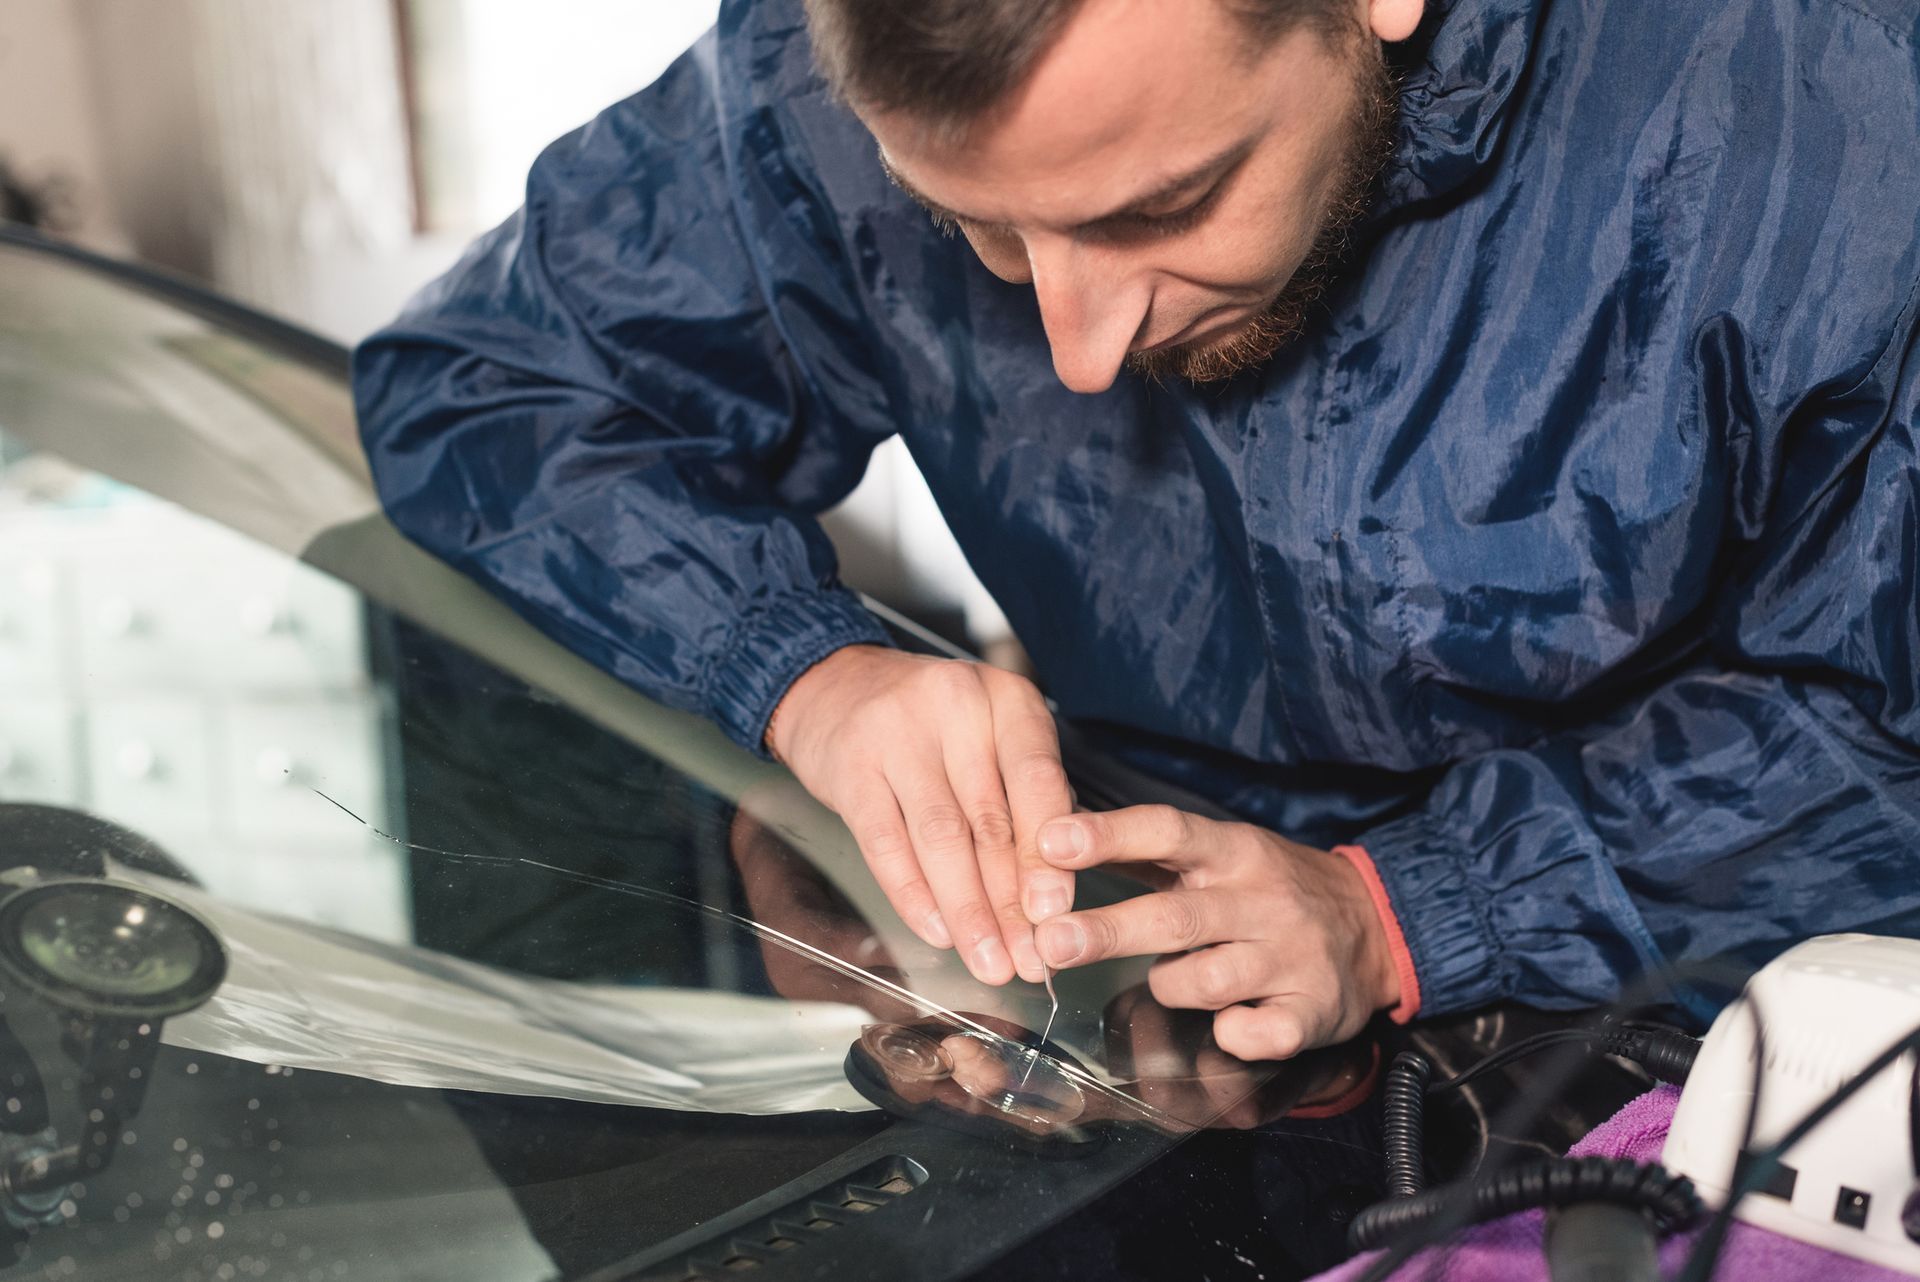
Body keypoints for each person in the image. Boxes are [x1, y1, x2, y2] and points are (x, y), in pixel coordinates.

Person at [352, 0, 1920, 1059]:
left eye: (1159, 209)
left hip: (1693, 1071)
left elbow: (1889, 729)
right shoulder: (820, 68)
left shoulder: (1835, 113)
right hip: (1141, 1060)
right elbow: (491, 387)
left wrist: (1410, 909)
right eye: (976, 230)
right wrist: (803, 671)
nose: (1080, 342)